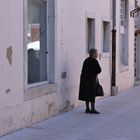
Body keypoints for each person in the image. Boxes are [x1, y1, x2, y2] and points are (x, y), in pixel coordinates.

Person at [78, 48, 102, 114]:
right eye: (96, 53)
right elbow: (99, 70)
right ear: (93, 54)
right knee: (92, 94)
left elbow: (83, 70)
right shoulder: (94, 61)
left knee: (86, 93)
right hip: (91, 79)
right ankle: (93, 109)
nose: (97, 54)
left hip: (84, 79)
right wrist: (94, 73)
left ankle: (87, 108)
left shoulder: (86, 60)